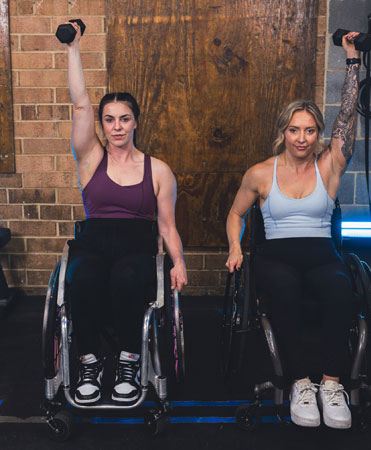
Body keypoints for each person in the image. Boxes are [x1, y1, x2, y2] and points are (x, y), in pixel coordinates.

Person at [224, 32, 361, 429]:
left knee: (339, 288)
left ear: (319, 133)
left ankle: (332, 385)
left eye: (310, 130)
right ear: (283, 131)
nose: (302, 138)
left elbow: (347, 116)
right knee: (285, 289)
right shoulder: (260, 173)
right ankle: (301, 382)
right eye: (294, 130)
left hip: (322, 254)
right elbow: (236, 215)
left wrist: (353, 62)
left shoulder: (330, 166)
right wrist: (235, 246)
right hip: (276, 256)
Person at [62, 22, 188, 405]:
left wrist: (178, 262)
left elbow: (166, 223)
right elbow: (81, 101)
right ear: (102, 124)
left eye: (125, 118)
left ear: (136, 121)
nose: (117, 127)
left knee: (130, 279)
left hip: (137, 244)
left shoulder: (159, 170)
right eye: (109, 120)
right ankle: (89, 362)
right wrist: (73, 48)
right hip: (93, 241)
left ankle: (129, 361)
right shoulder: (90, 158)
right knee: (82, 279)